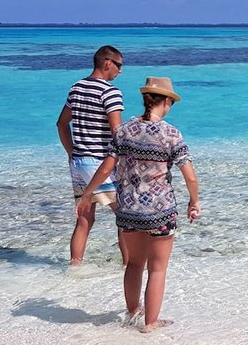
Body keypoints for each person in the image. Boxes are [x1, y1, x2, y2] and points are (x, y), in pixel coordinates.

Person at [76, 76, 201, 333]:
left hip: (129, 210)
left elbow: (106, 168)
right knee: (157, 269)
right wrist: (194, 201)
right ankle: (150, 323)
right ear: (166, 101)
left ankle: (133, 312)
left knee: (134, 264)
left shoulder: (124, 130)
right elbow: (190, 176)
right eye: (171, 102)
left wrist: (87, 194)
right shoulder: (170, 134)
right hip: (160, 211)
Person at [56, 45, 128, 266]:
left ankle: (75, 268)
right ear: (107, 63)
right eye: (119, 65)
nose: (120, 71)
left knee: (84, 218)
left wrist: (71, 152)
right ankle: (129, 267)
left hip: (79, 163)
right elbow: (117, 132)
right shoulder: (110, 92)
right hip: (99, 163)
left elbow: (61, 124)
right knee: (126, 217)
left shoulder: (76, 88)